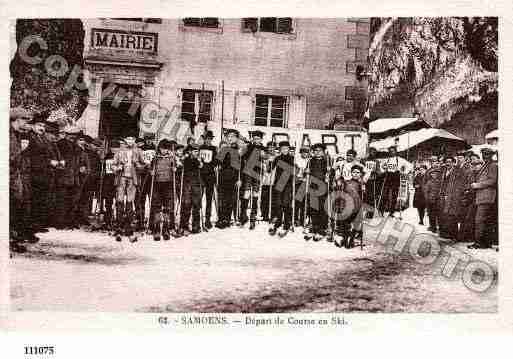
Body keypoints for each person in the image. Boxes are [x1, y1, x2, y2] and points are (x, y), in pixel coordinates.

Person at [10, 107, 35, 252]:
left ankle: (12, 238)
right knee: (12, 206)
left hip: (15, 175)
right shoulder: (9, 134)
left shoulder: (15, 134)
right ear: (16, 120)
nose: (25, 123)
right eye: (23, 120)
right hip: (11, 175)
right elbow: (11, 157)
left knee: (15, 205)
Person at [111, 135, 146, 241]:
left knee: (130, 202)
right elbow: (113, 165)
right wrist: (118, 167)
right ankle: (119, 227)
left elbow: (142, 165)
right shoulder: (120, 151)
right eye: (128, 139)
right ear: (125, 140)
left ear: (134, 140)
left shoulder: (138, 151)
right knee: (120, 201)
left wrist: (139, 166)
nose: (130, 141)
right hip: (121, 178)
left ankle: (129, 227)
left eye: (132, 139)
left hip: (132, 179)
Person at [28, 115, 58, 232]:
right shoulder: (30, 137)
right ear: (33, 125)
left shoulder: (42, 138)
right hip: (35, 173)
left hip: (44, 173)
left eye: (43, 126)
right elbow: (33, 156)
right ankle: (32, 225)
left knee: (41, 200)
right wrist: (49, 162)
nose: (42, 128)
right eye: (39, 125)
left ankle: (38, 224)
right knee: (35, 200)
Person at [468, 147, 498, 249]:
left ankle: (479, 242)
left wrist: (478, 185)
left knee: (480, 220)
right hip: (482, 197)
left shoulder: (493, 165)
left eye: (487, 154)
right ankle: (484, 242)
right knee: (483, 220)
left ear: (491, 155)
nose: (485, 156)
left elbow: (492, 181)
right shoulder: (486, 165)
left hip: (487, 196)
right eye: (484, 154)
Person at [149, 139, 176, 240]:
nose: (164, 151)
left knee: (167, 207)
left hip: (168, 184)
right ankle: (156, 229)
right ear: (159, 148)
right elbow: (151, 168)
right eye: (162, 148)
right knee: (156, 206)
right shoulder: (156, 158)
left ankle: (166, 228)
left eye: (166, 149)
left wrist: (175, 168)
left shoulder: (171, 158)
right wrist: (151, 171)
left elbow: (176, 166)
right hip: (157, 184)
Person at [268, 141, 295, 237]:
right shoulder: (277, 158)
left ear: (289, 149)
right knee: (278, 203)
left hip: (288, 183)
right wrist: (270, 162)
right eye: (283, 149)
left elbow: (295, 171)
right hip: (279, 182)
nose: (285, 150)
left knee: (286, 203)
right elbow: (269, 169)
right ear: (280, 150)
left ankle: (287, 223)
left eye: (286, 149)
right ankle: (278, 222)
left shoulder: (292, 158)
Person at [304, 143, 330, 241]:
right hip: (313, 186)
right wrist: (306, 171)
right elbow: (307, 172)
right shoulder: (311, 161)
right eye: (315, 151)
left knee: (322, 208)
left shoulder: (327, 161)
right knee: (313, 207)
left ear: (323, 152)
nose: (317, 153)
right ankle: (314, 227)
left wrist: (329, 173)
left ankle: (322, 229)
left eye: (319, 151)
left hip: (323, 187)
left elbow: (332, 174)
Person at [240, 130, 265, 229]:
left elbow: (268, 158)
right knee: (246, 193)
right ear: (252, 139)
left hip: (257, 173)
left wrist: (265, 156)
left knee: (255, 194)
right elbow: (241, 156)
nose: (256, 140)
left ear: (261, 139)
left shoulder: (263, 148)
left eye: (258, 138)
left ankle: (253, 216)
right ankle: (243, 215)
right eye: (255, 138)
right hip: (248, 172)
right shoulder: (249, 147)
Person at [216, 129, 240, 229]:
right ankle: (221, 218)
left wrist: (240, 179)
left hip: (233, 177)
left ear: (236, 138)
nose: (231, 138)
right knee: (222, 198)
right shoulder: (224, 149)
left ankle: (228, 218)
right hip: (223, 176)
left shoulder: (238, 150)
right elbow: (217, 161)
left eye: (233, 136)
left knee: (230, 199)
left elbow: (241, 166)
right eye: (229, 136)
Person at [439, 156, 465, 240]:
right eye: (446, 162)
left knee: (452, 215)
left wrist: (453, 195)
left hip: (452, 196)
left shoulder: (457, 172)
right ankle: (446, 233)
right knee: (444, 214)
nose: (448, 163)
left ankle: (453, 235)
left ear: (454, 163)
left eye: (450, 162)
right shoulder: (444, 171)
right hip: (443, 195)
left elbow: (459, 185)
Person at [179, 143, 203, 235]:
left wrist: (200, 161)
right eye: (195, 151)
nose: (197, 153)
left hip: (196, 184)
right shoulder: (186, 160)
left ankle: (196, 226)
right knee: (186, 205)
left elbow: (201, 166)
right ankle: (184, 226)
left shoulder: (198, 160)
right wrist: (183, 158)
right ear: (190, 151)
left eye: (197, 151)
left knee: (196, 205)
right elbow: (181, 164)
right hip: (187, 185)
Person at [380, 145, 407, 217]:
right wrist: (383, 168)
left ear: (396, 151)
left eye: (393, 151)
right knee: (385, 194)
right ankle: (382, 210)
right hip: (388, 176)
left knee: (394, 195)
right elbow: (381, 167)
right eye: (390, 151)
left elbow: (408, 166)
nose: (391, 152)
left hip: (396, 177)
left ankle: (392, 212)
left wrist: (403, 170)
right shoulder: (386, 160)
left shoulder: (400, 160)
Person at [199, 130, 218, 229]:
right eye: (207, 139)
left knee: (209, 199)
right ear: (204, 139)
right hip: (201, 176)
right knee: (199, 197)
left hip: (210, 176)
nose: (208, 141)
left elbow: (215, 162)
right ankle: (197, 219)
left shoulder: (214, 149)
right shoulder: (199, 148)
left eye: (210, 139)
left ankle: (207, 219)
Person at [423, 156, 444, 233]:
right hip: (430, 197)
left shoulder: (441, 171)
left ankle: (439, 226)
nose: (434, 163)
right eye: (433, 162)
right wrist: (426, 196)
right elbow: (424, 183)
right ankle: (432, 226)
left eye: (436, 162)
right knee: (431, 213)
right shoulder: (428, 171)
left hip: (438, 198)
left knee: (439, 213)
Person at [363, 146, 384, 216]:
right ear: (369, 152)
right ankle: (365, 211)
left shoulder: (376, 161)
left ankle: (370, 212)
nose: (373, 153)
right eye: (372, 152)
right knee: (366, 196)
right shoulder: (364, 160)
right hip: (365, 180)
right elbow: (361, 169)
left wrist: (378, 173)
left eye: (374, 152)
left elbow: (379, 171)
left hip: (373, 180)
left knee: (372, 196)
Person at [261, 142, 276, 223]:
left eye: (273, 147)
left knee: (274, 200)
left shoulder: (277, 157)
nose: (271, 149)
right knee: (264, 199)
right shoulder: (264, 157)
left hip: (274, 181)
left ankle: (273, 215)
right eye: (269, 147)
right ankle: (265, 215)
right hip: (265, 181)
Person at [295, 146, 310, 227]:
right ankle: (296, 219)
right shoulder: (297, 160)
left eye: (306, 152)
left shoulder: (309, 161)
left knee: (305, 203)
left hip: (306, 183)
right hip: (298, 182)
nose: (305, 154)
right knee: (298, 202)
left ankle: (303, 219)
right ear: (301, 153)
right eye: (303, 152)